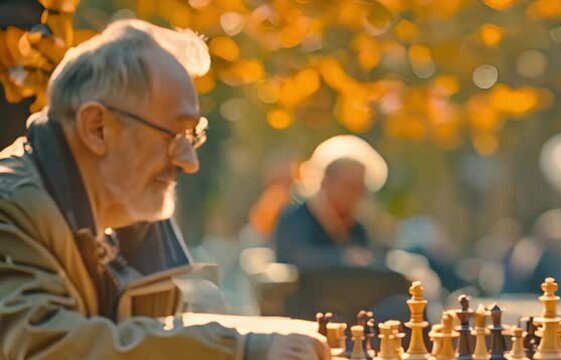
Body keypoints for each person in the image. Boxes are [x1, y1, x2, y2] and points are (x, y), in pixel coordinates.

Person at [0, 19, 327, 359]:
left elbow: (147, 334)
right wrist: (242, 348)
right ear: (97, 128)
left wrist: (265, 337)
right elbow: (46, 347)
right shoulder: (9, 207)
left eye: (192, 136)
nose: (189, 161)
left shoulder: (126, 216)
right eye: (174, 135)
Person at [273, 157, 378, 270]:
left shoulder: (356, 229)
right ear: (325, 182)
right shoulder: (294, 220)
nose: (356, 195)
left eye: (360, 188)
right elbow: (295, 258)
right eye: (350, 186)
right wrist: (344, 258)